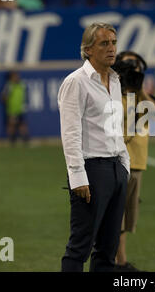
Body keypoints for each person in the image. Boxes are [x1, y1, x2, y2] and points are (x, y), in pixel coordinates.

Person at [58, 22, 130, 272]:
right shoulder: (75, 82)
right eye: (104, 43)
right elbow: (70, 132)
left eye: (113, 42)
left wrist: (125, 167)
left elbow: (114, 128)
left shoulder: (115, 79)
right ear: (88, 49)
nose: (111, 48)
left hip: (115, 170)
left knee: (108, 250)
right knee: (79, 248)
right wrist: (77, 175)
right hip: (91, 171)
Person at [112, 51, 155, 272]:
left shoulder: (141, 95)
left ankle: (120, 261)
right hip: (118, 161)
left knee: (126, 217)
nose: (132, 69)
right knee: (116, 217)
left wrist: (138, 89)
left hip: (137, 162)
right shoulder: (111, 93)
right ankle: (117, 262)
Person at [0, 71, 29, 145]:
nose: (17, 77)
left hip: (19, 109)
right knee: (11, 125)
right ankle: (12, 140)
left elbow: (23, 96)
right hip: (12, 110)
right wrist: (6, 101)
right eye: (15, 76)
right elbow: (3, 97)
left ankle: (25, 140)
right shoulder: (9, 86)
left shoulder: (21, 85)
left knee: (22, 125)